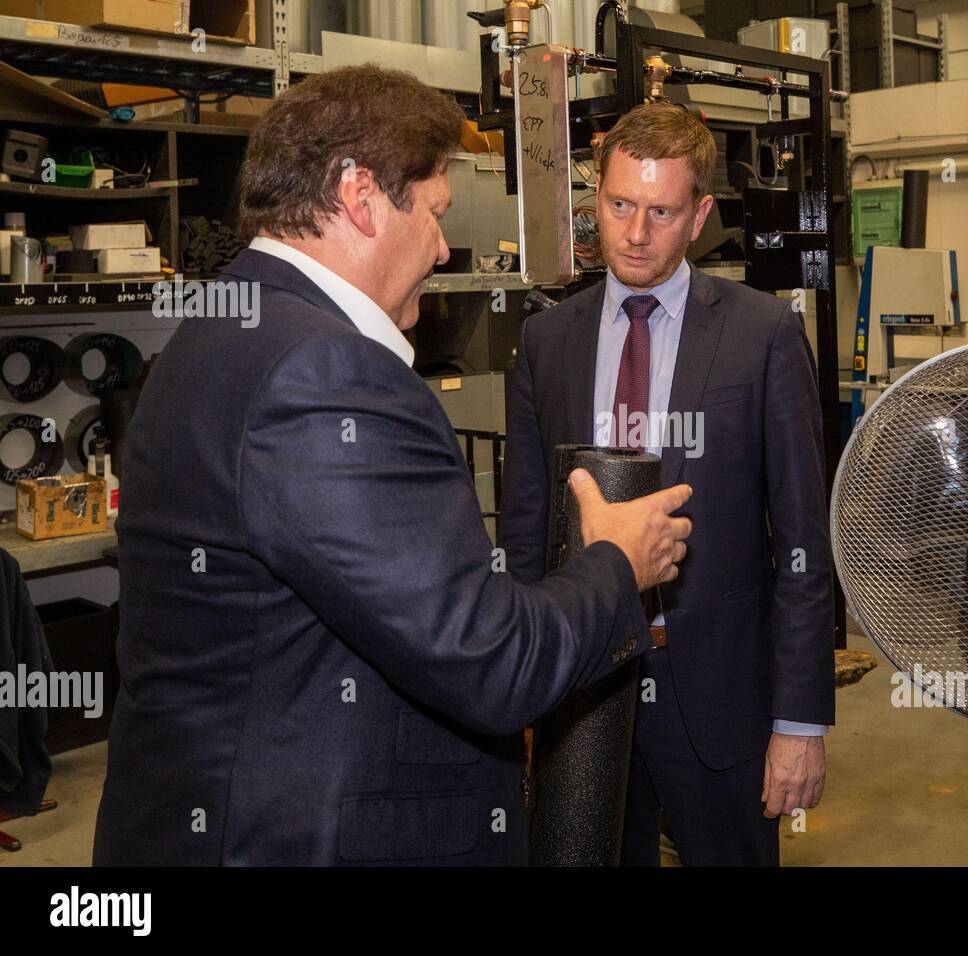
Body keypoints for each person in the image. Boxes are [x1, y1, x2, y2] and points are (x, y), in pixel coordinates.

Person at [93, 67, 691, 866]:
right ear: (360, 197)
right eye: (437, 213)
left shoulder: (218, 327)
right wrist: (619, 559)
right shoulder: (324, 373)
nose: (444, 246)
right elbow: (488, 660)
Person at [499, 103, 835, 867]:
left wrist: (801, 722)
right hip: (581, 690)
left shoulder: (763, 335)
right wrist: (517, 683)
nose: (636, 232)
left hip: (715, 700)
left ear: (700, 216)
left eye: (661, 211)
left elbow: (803, 543)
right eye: (619, 205)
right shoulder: (548, 340)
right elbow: (525, 529)